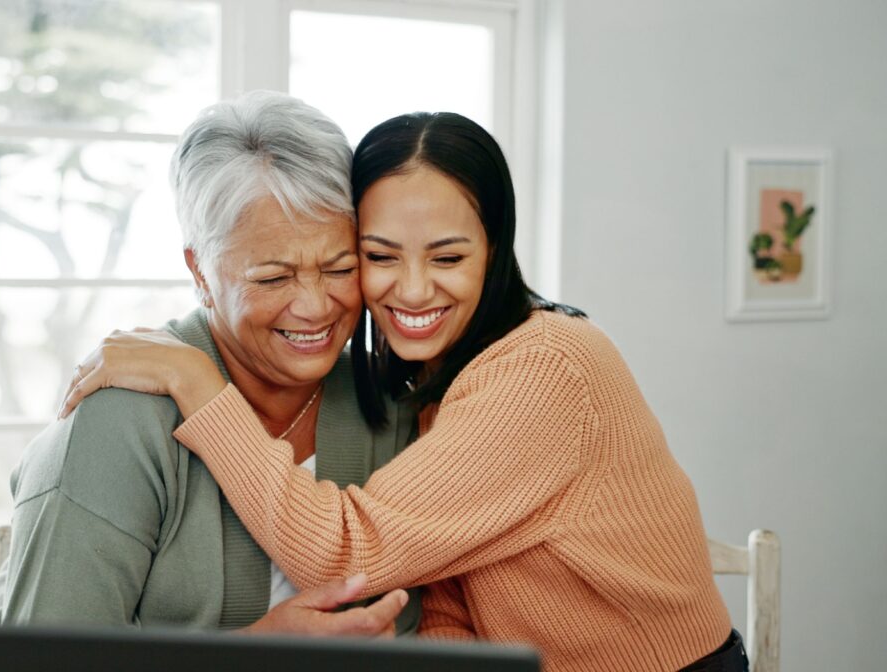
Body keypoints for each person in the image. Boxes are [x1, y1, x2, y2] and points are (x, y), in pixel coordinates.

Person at [62, 112, 745, 671]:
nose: (413, 290)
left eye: (447, 257)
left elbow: (345, 552)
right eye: (381, 256)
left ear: (495, 248)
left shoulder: (546, 368)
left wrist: (196, 381)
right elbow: (445, 598)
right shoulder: (426, 379)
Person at [0, 91, 419, 637]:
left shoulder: (393, 404)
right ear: (201, 271)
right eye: (273, 278)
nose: (314, 306)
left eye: (339, 267)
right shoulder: (116, 423)